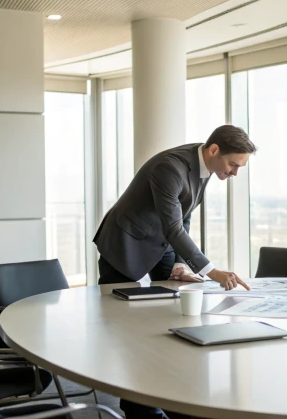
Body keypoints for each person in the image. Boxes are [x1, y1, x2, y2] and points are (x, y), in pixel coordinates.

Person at [93, 125, 255, 418]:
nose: (234, 173)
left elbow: (184, 216)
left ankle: (175, 395)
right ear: (215, 150)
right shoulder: (170, 167)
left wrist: (181, 262)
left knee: (173, 312)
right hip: (125, 240)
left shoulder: (205, 165)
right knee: (127, 328)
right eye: (234, 165)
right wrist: (212, 271)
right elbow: (174, 227)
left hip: (162, 241)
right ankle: (137, 406)